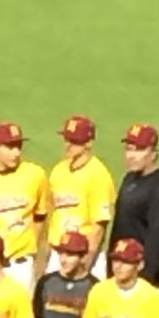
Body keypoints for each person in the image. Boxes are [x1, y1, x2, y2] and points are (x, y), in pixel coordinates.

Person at [0, 122, 50, 293]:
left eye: (18, 146)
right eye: (9, 147)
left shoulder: (35, 175)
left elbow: (40, 217)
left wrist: (30, 250)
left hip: (20, 266)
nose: (16, 153)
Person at [107, 123, 159, 290]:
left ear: (153, 153)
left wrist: (144, 282)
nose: (131, 155)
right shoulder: (130, 178)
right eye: (129, 149)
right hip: (121, 274)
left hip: (143, 281)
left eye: (139, 150)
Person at [47, 115, 116, 279]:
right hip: (58, 255)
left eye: (74, 141)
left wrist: (85, 266)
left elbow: (98, 227)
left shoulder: (98, 175)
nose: (68, 145)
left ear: (88, 143)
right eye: (66, 139)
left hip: (83, 257)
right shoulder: (58, 171)